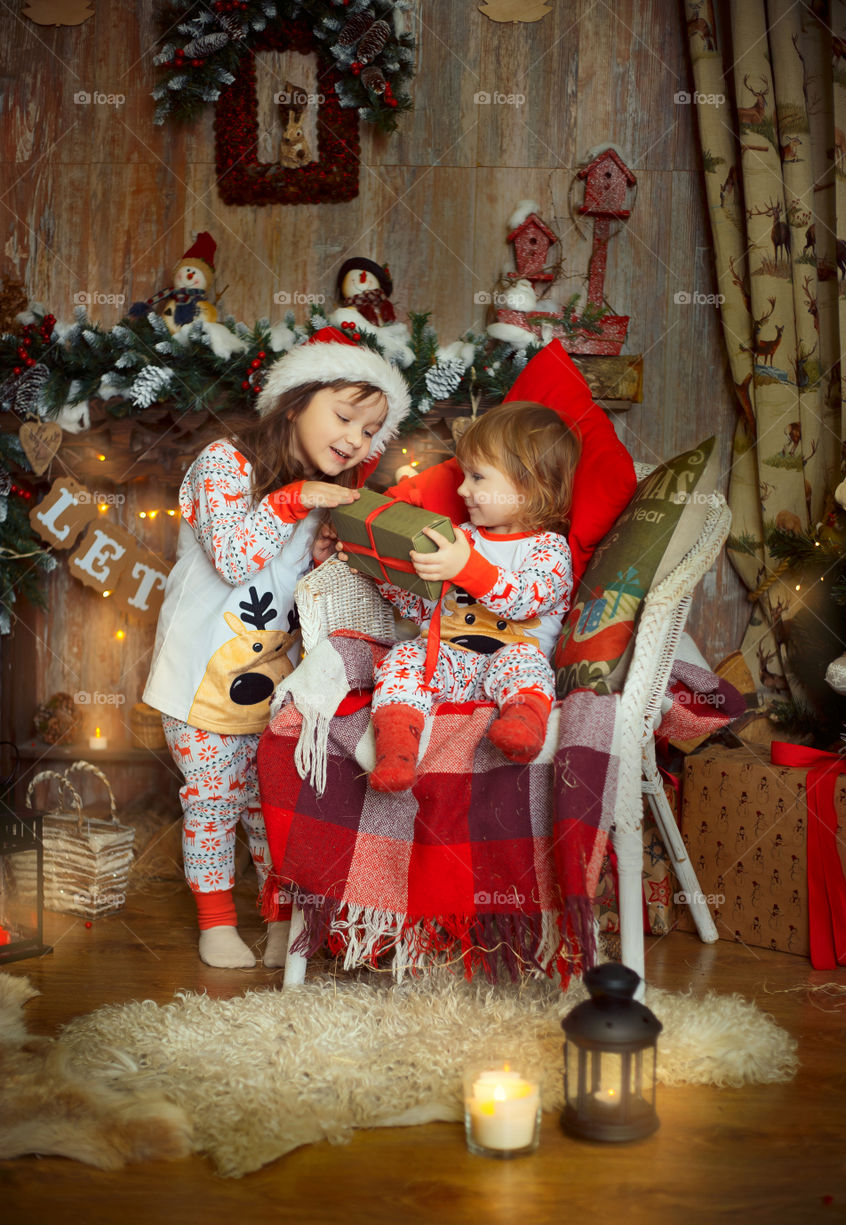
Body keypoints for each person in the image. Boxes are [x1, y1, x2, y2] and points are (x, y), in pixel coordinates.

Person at [142, 328, 410, 967]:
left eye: (371, 430)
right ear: (295, 401)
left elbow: (308, 593)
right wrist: (295, 502)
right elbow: (236, 559)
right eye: (344, 416)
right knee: (212, 800)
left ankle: (280, 918)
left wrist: (324, 553)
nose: (355, 439)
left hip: (277, 680)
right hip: (197, 676)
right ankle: (214, 923)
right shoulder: (224, 464)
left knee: (272, 804)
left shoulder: (321, 493)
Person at [361, 400, 579, 792]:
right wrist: (384, 573)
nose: (462, 489)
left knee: (525, 662)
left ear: (529, 486)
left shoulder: (549, 549)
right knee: (405, 657)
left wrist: (466, 568)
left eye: (478, 477)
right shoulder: (459, 537)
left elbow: (526, 598)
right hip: (448, 660)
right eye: (464, 475)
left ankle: (523, 725)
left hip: (507, 663)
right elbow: (425, 608)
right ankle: (396, 751)